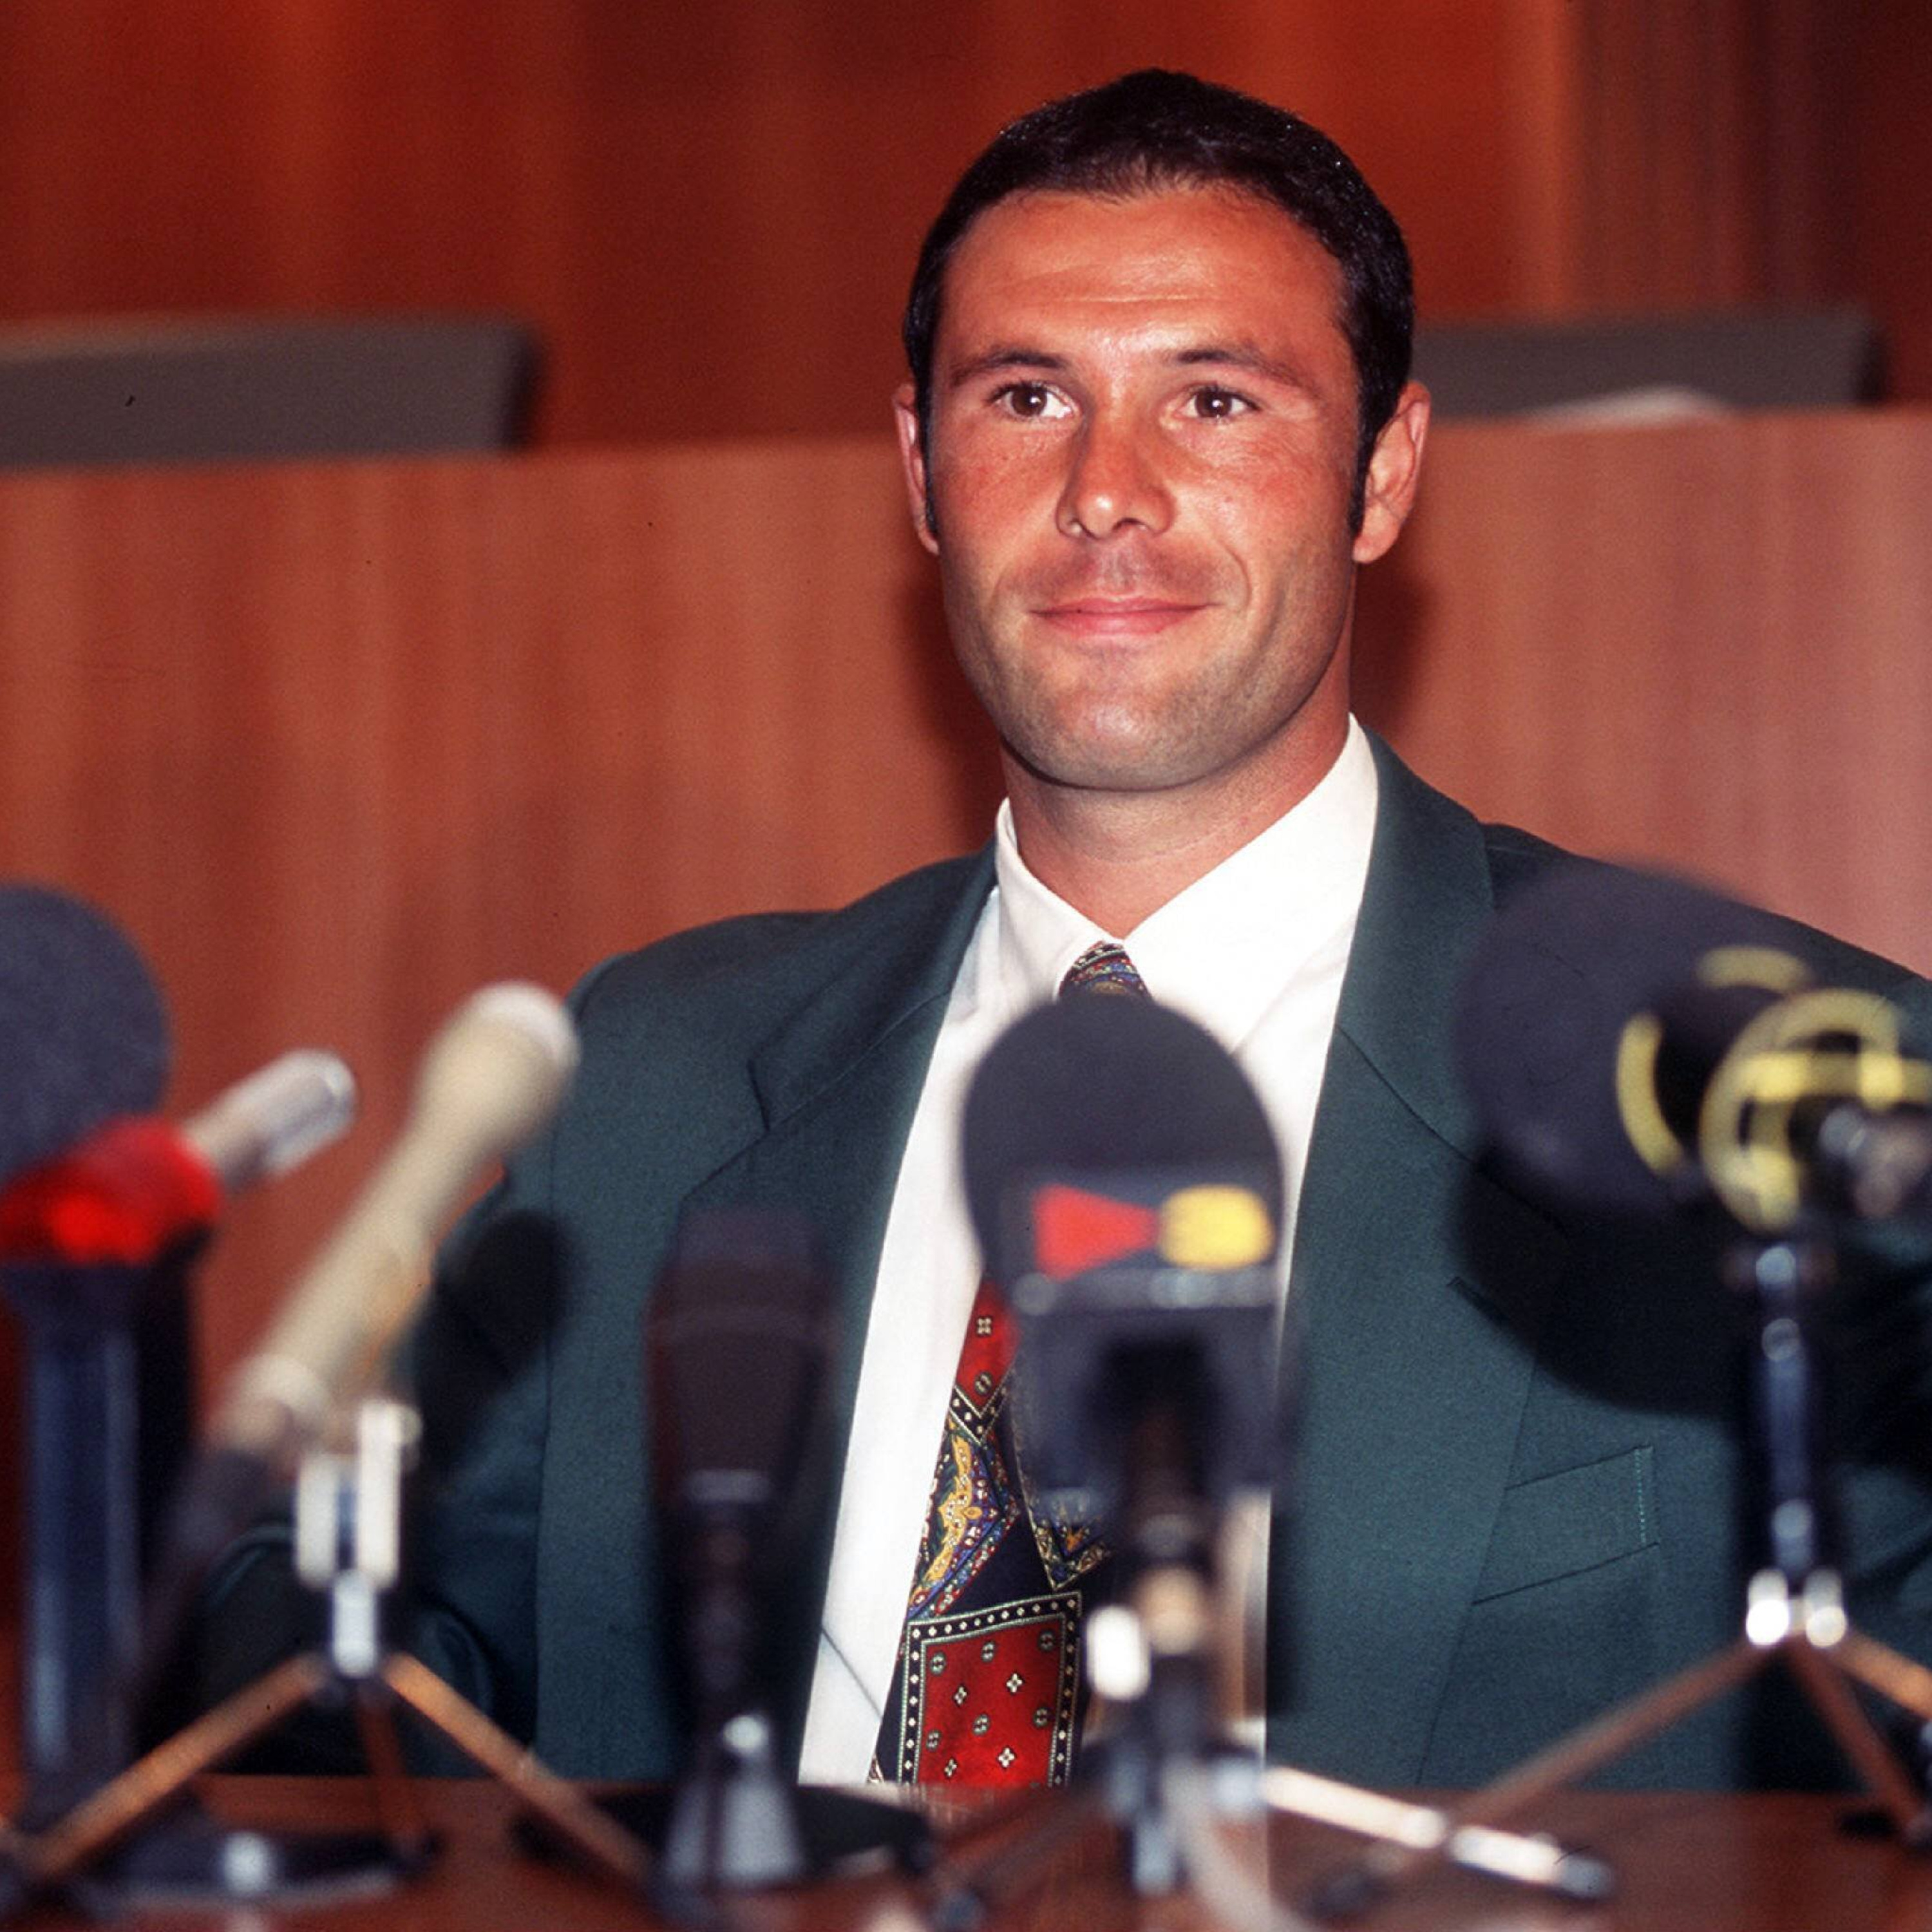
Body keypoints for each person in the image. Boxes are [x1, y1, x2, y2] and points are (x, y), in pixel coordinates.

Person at [199, 69, 1932, 1794]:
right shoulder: (653, 1081)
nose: (1108, 489)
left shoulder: (1743, 1100)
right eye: (1028, 397)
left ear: (1384, 472)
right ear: (921, 469)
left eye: (1216, 401)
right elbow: (340, 1678)